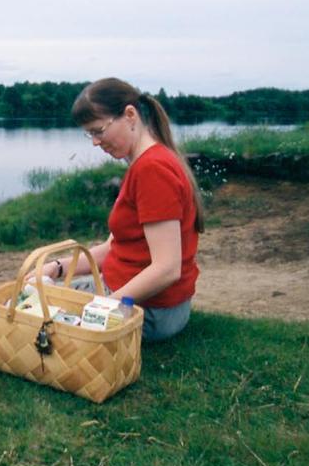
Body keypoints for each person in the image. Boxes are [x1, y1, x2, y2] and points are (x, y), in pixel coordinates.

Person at [36, 77, 204, 342]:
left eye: (98, 130)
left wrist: (103, 308)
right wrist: (56, 267)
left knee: (33, 306)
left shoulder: (153, 169)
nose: (94, 141)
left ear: (129, 115)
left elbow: (167, 268)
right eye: (89, 133)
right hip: (133, 297)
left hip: (149, 312)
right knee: (35, 289)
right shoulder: (147, 163)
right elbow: (114, 248)